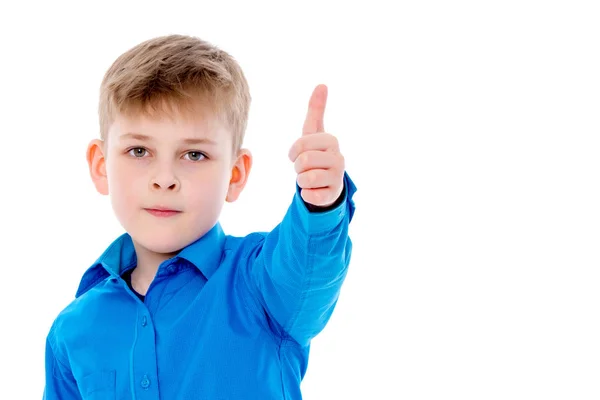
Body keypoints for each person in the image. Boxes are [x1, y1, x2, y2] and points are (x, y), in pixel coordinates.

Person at [43, 33, 356, 399]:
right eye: (139, 150)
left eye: (194, 155)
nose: (164, 179)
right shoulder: (73, 329)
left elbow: (307, 266)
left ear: (235, 175)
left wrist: (320, 203)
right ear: (101, 166)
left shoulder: (259, 282)